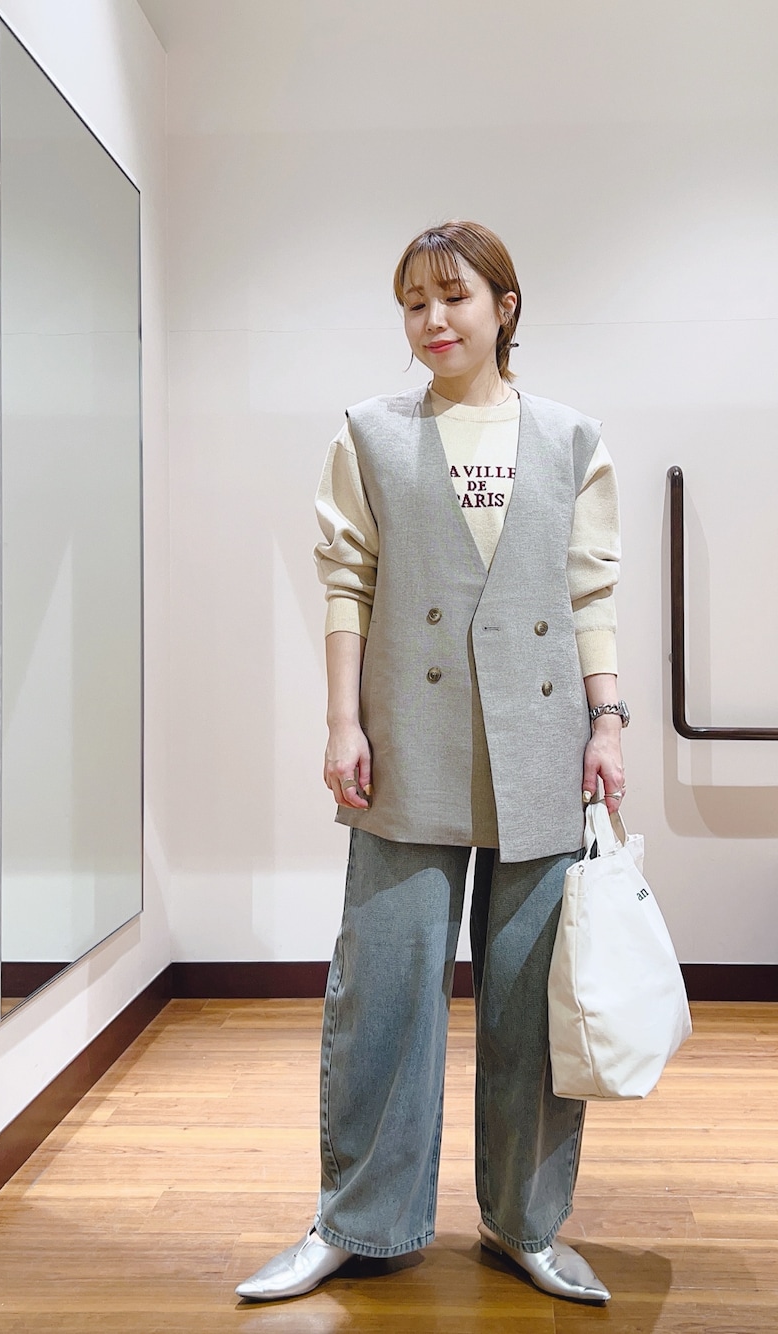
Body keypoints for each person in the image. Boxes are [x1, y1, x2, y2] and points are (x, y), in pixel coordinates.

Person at [236, 220, 626, 1306]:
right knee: (386, 990)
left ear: (505, 305)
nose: (432, 320)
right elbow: (346, 580)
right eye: (413, 302)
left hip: (540, 740)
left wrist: (607, 722)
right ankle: (357, 1220)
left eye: (453, 296)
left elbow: (590, 591)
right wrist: (341, 721)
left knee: (529, 1004)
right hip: (408, 734)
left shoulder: (572, 437)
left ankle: (526, 1224)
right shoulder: (369, 432)